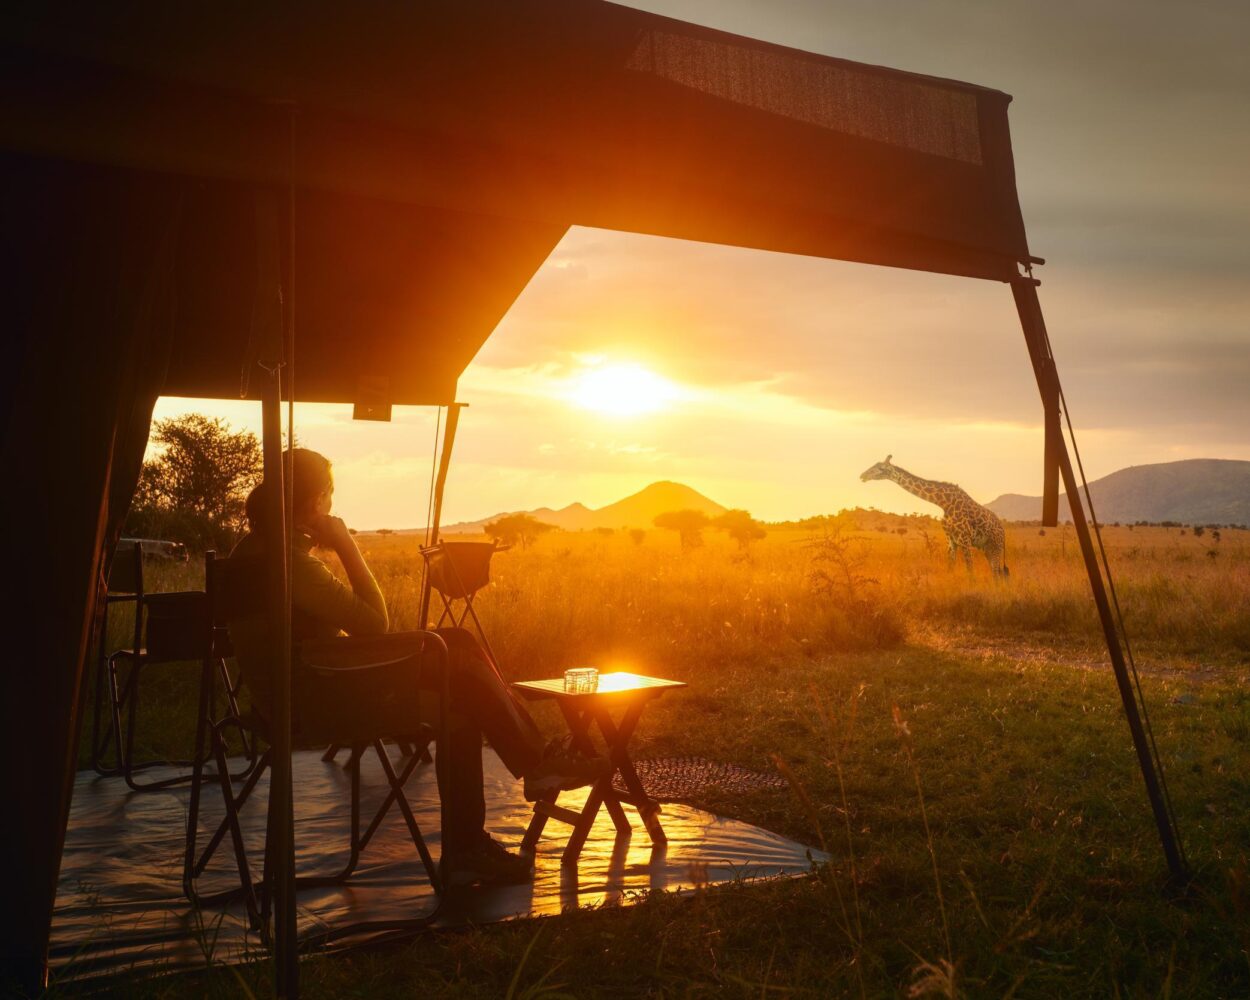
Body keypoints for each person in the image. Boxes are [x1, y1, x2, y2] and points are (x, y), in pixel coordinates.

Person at [230, 448, 606, 886]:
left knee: (458, 697)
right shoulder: (290, 562)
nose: (333, 504)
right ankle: (526, 778)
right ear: (316, 502)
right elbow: (374, 623)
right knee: (456, 648)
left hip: (289, 694)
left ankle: (495, 816)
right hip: (313, 703)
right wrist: (347, 542)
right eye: (330, 494)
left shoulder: (252, 549)